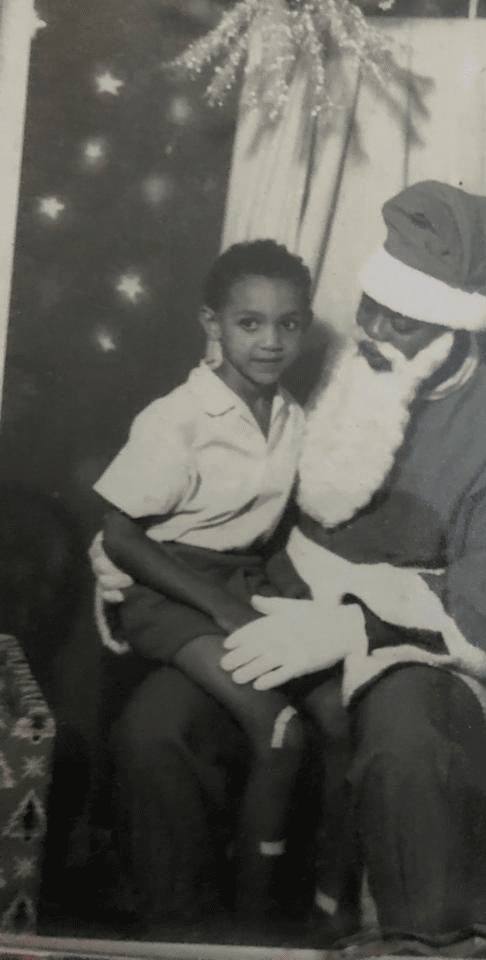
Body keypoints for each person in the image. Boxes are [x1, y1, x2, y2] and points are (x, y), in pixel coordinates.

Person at [96, 183, 486, 942]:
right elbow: (219, 480)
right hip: (267, 609)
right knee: (156, 728)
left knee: (404, 743)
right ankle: (188, 940)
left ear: (453, 329)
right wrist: (127, 548)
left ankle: (414, 942)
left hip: (412, 652)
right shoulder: (331, 367)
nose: (371, 329)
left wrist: (353, 628)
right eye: (369, 303)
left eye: (399, 320)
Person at [92, 240, 354, 931]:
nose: (271, 342)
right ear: (211, 323)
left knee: (335, 705)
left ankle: (333, 897)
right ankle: (250, 917)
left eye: (289, 324)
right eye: (249, 323)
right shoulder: (178, 418)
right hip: (165, 588)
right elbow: (120, 534)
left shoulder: (293, 417)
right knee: (277, 727)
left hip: (240, 579)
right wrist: (219, 608)